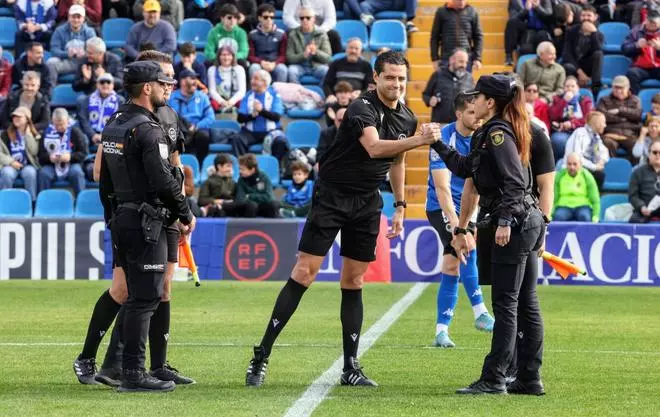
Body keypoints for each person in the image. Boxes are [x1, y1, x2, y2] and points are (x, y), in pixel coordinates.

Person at [244, 51, 440, 388]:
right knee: (305, 272)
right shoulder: (361, 108)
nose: (396, 84)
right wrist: (420, 140)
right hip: (333, 196)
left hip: (367, 202)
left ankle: (351, 367)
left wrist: (401, 205)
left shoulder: (407, 117)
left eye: (401, 79)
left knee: (354, 281)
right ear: (376, 78)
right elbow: (376, 148)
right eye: (390, 77)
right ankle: (261, 356)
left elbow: (396, 159)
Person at [76, 51, 195, 389]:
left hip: (127, 216)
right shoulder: (146, 127)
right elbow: (161, 178)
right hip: (148, 218)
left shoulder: (117, 123)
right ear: (147, 87)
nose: (168, 85)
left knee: (151, 292)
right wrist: (184, 211)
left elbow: (107, 183)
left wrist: (113, 215)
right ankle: (126, 370)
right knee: (139, 296)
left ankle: (146, 367)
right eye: (162, 81)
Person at [431, 74, 546, 395]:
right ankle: (528, 378)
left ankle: (495, 378)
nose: (474, 101)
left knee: (507, 305)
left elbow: (514, 183)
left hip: (516, 222)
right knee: (525, 303)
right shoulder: (495, 130)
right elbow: (467, 167)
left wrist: (506, 221)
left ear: (490, 102)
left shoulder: (496, 133)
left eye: (478, 97)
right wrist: (437, 143)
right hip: (529, 220)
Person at [425, 93, 494, 348]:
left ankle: (441, 332)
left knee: (452, 266)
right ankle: (480, 313)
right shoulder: (443, 138)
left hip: (468, 203)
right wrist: (458, 227)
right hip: (440, 206)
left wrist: (468, 218)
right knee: (466, 246)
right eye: (472, 113)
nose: (477, 118)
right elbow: (442, 188)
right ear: (459, 114)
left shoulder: (481, 137)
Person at [37, 108, 88, 195]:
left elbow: (83, 153)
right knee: (44, 174)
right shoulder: (46, 133)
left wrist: (70, 157)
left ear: (68, 121)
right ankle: (44, 203)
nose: (60, 127)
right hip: (52, 165)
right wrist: (49, 158)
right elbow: (40, 155)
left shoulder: (75, 132)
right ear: (52, 122)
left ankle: (81, 201)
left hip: (72, 163)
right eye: (56, 125)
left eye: (62, 124)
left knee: (77, 173)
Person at [169, 69, 215, 163]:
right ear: (182, 81)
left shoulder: (202, 97)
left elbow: (210, 118)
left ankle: (201, 164)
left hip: (197, 129)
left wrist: (196, 127)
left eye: (196, 78)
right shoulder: (172, 97)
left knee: (203, 136)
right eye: (191, 78)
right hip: (179, 129)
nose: (195, 81)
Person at [235, 69, 284, 156]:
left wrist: (261, 111)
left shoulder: (274, 95)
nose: (252, 81)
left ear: (264, 82)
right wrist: (252, 115)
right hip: (250, 132)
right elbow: (240, 118)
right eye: (252, 79)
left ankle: (277, 166)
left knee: (280, 141)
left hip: (271, 131)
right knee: (237, 139)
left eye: (256, 79)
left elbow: (276, 117)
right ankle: (243, 166)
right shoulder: (248, 95)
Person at [47, 5, 97, 89]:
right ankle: (50, 93)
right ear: (68, 17)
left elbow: (95, 49)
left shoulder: (90, 32)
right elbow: (54, 50)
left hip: (85, 62)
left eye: (79, 17)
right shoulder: (59, 31)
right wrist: (67, 54)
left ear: (83, 18)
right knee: (51, 63)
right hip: (67, 61)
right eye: (73, 17)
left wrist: (86, 53)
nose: (76, 20)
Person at [596, 75, 642, 159]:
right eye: (615, 88)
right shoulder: (604, 100)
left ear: (628, 88)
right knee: (607, 143)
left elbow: (637, 115)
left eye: (621, 88)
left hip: (629, 134)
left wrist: (619, 110)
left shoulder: (635, 100)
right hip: (610, 133)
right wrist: (623, 118)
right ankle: (611, 168)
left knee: (637, 147)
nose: (618, 91)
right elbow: (601, 115)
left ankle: (633, 170)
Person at [423, 49, 474, 124]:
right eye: (461, 61)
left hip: (461, 124)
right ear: (451, 60)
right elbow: (426, 94)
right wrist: (430, 100)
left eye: (466, 62)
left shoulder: (469, 78)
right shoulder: (438, 75)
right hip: (440, 124)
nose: (464, 65)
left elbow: (474, 99)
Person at [0, 106, 40, 201]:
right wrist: (11, 162)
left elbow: (34, 151)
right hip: (10, 165)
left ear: (27, 119)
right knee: (6, 173)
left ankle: (32, 202)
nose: (16, 119)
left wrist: (28, 136)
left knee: (30, 173)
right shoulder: (4, 134)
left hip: (28, 165)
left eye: (19, 117)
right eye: (14, 117)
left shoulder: (35, 134)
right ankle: (5, 202)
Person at [430, 0, 483, 71]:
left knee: (464, 81)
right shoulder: (441, 12)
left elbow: (478, 36)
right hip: (447, 58)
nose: (461, 2)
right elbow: (435, 37)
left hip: (465, 59)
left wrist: (477, 58)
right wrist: (435, 59)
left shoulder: (472, 12)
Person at [561, 5, 604, 92]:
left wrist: (593, 33)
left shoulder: (599, 34)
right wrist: (580, 72)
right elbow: (566, 54)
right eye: (583, 15)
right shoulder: (571, 31)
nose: (585, 18)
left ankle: (596, 89)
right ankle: (570, 89)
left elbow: (598, 50)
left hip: (589, 67)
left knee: (598, 54)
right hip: (575, 65)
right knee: (567, 66)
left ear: (595, 17)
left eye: (589, 15)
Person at [548, 76, 593, 160]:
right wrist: (564, 101)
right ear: (564, 88)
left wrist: (572, 123)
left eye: (573, 86)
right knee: (557, 140)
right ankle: (559, 164)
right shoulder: (557, 99)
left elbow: (589, 118)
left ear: (578, 88)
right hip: (563, 131)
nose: (570, 89)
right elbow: (553, 116)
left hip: (581, 130)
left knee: (581, 142)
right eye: (567, 86)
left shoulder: (585, 100)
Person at [76, 73, 125, 148]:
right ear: (97, 84)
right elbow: (84, 120)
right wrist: (92, 135)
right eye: (102, 82)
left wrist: (105, 136)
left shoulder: (120, 101)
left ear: (113, 85)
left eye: (108, 82)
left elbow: (120, 123)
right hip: (90, 135)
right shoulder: (86, 100)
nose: (105, 85)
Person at [563, 111, 609, 190]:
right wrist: (594, 167)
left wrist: (601, 161)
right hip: (574, 169)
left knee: (600, 174)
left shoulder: (596, 137)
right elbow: (576, 157)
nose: (605, 125)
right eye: (603, 123)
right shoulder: (580, 133)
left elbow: (605, 151)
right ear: (596, 124)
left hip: (589, 169)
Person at [286, 6, 332, 84]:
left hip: (317, 66)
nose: (304, 20)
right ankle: (298, 94)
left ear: (313, 19)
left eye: (308, 18)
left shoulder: (321, 34)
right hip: (299, 66)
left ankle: (320, 94)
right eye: (302, 18)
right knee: (291, 71)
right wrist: (304, 55)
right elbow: (289, 57)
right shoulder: (293, 34)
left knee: (327, 71)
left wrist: (316, 52)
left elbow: (328, 58)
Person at [552, 152, 600, 222]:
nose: (572, 167)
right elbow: (553, 198)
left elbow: (595, 199)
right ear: (566, 164)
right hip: (563, 206)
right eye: (569, 164)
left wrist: (596, 215)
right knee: (558, 217)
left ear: (580, 165)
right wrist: (549, 214)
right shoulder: (559, 176)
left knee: (585, 217)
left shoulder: (587, 176)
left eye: (575, 164)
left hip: (583, 206)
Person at [504, 0, 553, 65]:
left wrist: (538, 7)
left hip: (542, 28)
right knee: (511, 23)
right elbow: (513, 18)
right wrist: (526, 10)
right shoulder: (515, 1)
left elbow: (549, 15)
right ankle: (509, 56)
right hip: (526, 28)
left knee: (542, 37)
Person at [248, 3, 288, 83]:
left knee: (282, 69)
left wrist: (274, 63)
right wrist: (261, 62)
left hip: (275, 63)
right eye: (266, 17)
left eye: (271, 17)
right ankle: (256, 92)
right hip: (259, 63)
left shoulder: (281, 34)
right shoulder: (252, 34)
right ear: (259, 18)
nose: (269, 19)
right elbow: (250, 56)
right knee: (254, 68)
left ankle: (279, 93)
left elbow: (283, 55)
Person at [623, 11, 660, 94]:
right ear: (645, 21)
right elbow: (625, 49)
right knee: (631, 73)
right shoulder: (636, 31)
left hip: (658, 66)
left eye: (654, 23)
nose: (651, 25)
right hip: (641, 67)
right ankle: (636, 102)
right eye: (649, 22)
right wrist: (636, 45)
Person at [234, 153, 279, 217]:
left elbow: (268, 197)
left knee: (273, 204)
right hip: (249, 208)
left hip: (262, 207)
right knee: (252, 205)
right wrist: (257, 198)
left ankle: (273, 226)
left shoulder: (263, 177)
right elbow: (240, 198)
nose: (240, 171)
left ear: (252, 169)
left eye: (243, 169)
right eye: (239, 169)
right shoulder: (241, 179)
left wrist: (250, 196)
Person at [207, 45, 247, 113]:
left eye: (229, 55)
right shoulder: (212, 70)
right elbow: (212, 91)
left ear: (233, 56)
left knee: (244, 104)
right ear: (219, 56)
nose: (226, 58)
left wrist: (231, 102)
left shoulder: (239, 69)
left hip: (234, 99)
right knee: (211, 105)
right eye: (223, 55)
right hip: (219, 99)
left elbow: (242, 91)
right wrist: (222, 102)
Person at [628, 140, 660, 223]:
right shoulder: (638, 172)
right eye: (655, 152)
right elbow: (633, 196)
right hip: (644, 209)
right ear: (649, 154)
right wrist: (641, 207)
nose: (658, 155)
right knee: (635, 221)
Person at [343, 0, 419, 33]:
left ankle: (409, 22)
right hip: (382, 2)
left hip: (399, 2)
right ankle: (372, 27)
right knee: (364, 5)